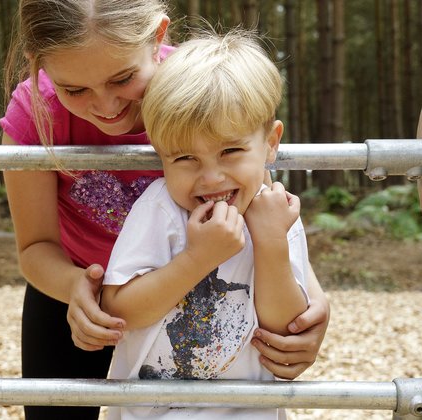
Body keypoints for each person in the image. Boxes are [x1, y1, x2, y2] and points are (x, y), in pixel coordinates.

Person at [0, 1, 330, 418]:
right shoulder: (36, 113)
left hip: (206, 283)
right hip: (76, 290)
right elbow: (35, 247)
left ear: (158, 38)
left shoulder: (197, 87)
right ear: (39, 61)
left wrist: (313, 300)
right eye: (75, 90)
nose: (105, 106)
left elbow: (254, 190)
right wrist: (81, 292)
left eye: (122, 78)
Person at [101, 30, 308, 419]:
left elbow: (283, 329)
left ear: (271, 142)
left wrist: (270, 241)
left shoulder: (274, 214)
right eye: (184, 158)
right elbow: (120, 311)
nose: (211, 178)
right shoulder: (161, 209)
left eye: (230, 151)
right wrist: (199, 259)